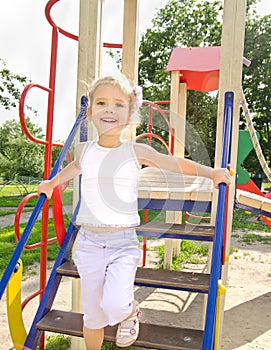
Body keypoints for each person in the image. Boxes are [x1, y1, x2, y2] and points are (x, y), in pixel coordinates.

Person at [38, 75, 231, 350]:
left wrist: (210, 173)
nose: (109, 109)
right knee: (93, 317)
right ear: (90, 110)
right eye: (101, 102)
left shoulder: (134, 151)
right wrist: (51, 183)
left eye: (118, 104)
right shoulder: (83, 150)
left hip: (122, 244)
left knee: (114, 305)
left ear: (130, 114)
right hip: (89, 244)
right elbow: (73, 170)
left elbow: (172, 163)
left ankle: (129, 312)